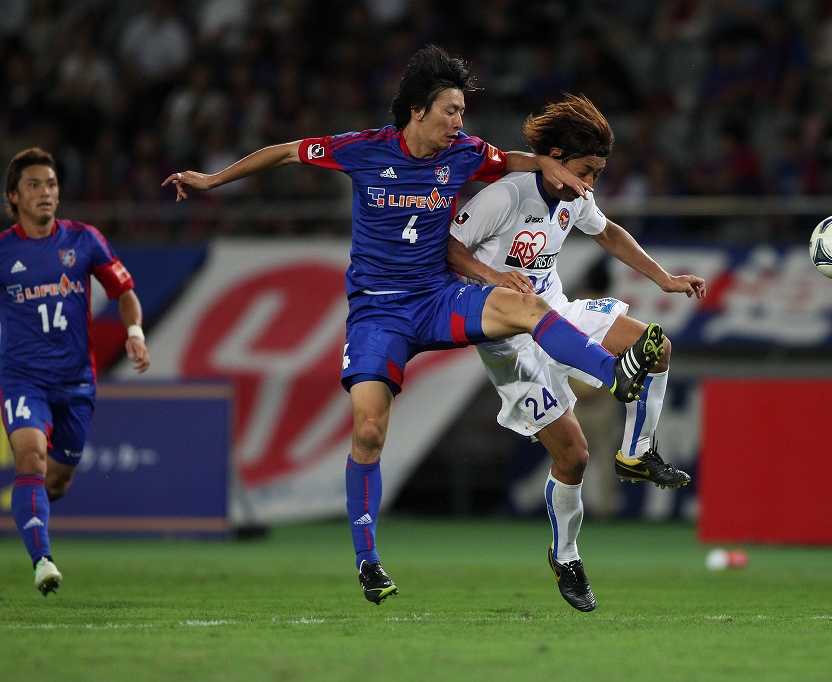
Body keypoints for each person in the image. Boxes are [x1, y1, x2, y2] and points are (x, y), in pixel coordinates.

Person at [163, 45, 665, 605]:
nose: (459, 122)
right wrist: (213, 180)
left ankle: (616, 376)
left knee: (525, 306)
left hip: (437, 297)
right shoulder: (361, 148)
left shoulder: (466, 153)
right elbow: (284, 153)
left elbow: (510, 159)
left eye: (462, 112)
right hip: (379, 312)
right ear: (418, 111)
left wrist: (546, 164)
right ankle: (368, 561)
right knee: (368, 431)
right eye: (451, 110)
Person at [446, 94, 706, 611]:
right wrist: (495, 276)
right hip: (509, 340)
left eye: (597, 174)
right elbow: (449, 248)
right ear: (555, 158)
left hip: (556, 312)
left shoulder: (575, 197)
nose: (590, 183)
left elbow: (607, 231)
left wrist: (663, 278)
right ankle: (565, 555)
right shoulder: (506, 196)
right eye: (585, 171)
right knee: (574, 456)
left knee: (656, 348)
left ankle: (637, 452)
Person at [1, 147, 151, 596]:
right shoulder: (4, 250)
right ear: (14, 197)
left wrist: (135, 333)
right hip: (22, 379)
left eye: (50, 184)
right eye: (33, 185)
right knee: (30, 458)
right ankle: (42, 560)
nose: (45, 192)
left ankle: (30, 513)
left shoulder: (84, 240)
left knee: (57, 481)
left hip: (76, 383)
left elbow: (124, 291)